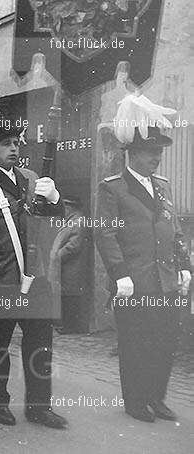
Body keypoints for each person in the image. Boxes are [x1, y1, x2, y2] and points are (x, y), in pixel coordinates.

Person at [0, 99, 67, 429]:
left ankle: (39, 407)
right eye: (7, 143)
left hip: (35, 278)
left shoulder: (33, 177)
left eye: (17, 141)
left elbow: (50, 223)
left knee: (40, 346)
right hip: (0, 279)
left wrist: (55, 201)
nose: (15, 148)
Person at [95, 94, 191, 422]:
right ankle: (136, 401)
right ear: (132, 153)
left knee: (165, 342)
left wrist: (184, 267)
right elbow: (105, 234)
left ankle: (156, 398)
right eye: (152, 152)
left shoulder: (162, 186)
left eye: (160, 152)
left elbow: (174, 230)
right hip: (133, 282)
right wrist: (119, 273)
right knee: (135, 344)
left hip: (165, 281)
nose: (157, 158)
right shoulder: (113, 188)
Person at [48, 195, 90, 334]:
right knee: (66, 296)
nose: (64, 210)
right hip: (65, 267)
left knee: (71, 297)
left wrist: (57, 255)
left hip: (72, 268)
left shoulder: (78, 221)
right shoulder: (71, 220)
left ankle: (70, 327)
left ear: (71, 207)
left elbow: (74, 246)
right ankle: (66, 325)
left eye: (66, 207)